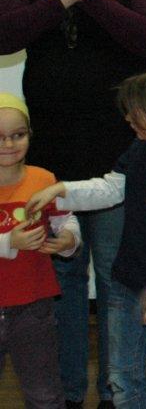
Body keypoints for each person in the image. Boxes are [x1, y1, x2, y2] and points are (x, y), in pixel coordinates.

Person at [0, 0, 146, 409]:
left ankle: (118, 394)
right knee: (60, 285)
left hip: (121, 152)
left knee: (119, 283)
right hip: (48, 157)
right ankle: (67, 394)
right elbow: (4, 34)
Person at [26, 65, 146, 409]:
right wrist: (61, 192)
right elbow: (111, 188)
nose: (128, 117)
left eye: (136, 110)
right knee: (122, 378)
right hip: (125, 285)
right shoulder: (140, 149)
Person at [0, 93, 81, 409]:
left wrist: (68, 240)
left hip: (33, 306)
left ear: (30, 135)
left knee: (44, 393)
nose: (9, 144)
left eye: (18, 135)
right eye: (0, 137)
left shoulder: (43, 179)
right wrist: (9, 243)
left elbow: (66, 220)